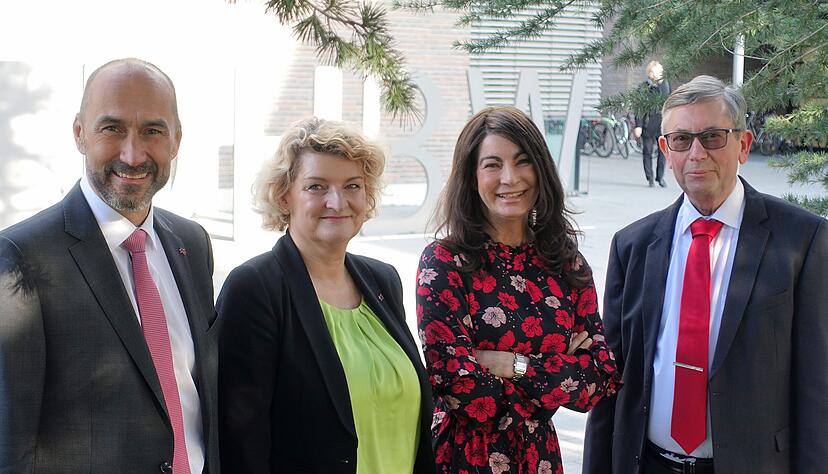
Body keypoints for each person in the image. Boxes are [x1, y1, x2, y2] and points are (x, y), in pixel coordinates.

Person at [583, 75, 828, 473]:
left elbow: (818, 387)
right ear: (665, 150)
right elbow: (611, 382)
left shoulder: (800, 240)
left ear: (743, 145)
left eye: (712, 137)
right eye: (681, 140)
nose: (696, 153)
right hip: (649, 464)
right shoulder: (632, 246)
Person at [0, 59, 219, 473]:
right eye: (112, 128)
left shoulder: (193, 244)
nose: (132, 153)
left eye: (152, 131)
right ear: (80, 133)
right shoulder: (20, 256)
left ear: (176, 141)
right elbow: (10, 444)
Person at [217, 117, 435, 473]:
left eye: (352, 186)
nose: (337, 201)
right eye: (316, 187)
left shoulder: (383, 281)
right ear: (283, 195)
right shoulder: (255, 289)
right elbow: (241, 442)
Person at [416, 106, 621, 473]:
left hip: (540, 459)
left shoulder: (567, 265)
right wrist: (557, 379)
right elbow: (455, 382)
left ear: (540, 170)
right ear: (471, 176)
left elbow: (599, 377)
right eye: (492, 165)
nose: (509, 178)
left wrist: (515, 366)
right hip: (463, 459)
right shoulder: (445, 262)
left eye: (523, 161)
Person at [634, 60, 671, 188]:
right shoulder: (644, 87)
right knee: (647, 151)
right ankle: (649, 178)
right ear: (651, 73)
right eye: (657, 71)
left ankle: (660, 177)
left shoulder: (665, 85)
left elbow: (669, 104)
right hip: (648, 124)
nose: (660, 73)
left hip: (662, 124)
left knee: (663, 152)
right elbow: (639, 107)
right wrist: (638, 125)